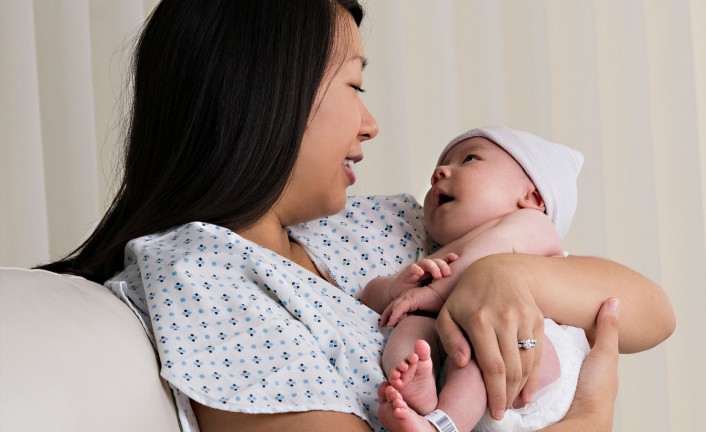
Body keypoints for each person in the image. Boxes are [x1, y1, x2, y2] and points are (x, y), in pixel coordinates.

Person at [36, 1, 675, 431]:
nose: (371, 125)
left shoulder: (390, 222)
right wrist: (587, 423)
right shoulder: (202, 276)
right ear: (270, 94)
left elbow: (651, 312)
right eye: (355, 86)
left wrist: (506, 275)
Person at [362, 126, 590, 431]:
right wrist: (393, 288)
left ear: (532, 196)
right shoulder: (436, 253)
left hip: (534, 359)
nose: (439, 173)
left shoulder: (533, 223)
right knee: (411, 325)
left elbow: (492, 253)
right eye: (441, 165)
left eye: (469, 159)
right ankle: (417, 390)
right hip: (471, 384)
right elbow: (369, 300)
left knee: (487, 333)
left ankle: (443, 425)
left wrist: (434, 293)